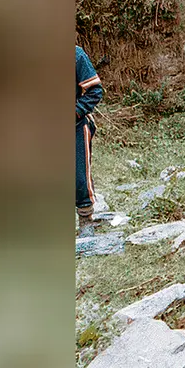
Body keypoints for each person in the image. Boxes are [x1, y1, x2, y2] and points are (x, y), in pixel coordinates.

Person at [76, 45, 104, 237]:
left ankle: (86, 218)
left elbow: (95, 90)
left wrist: (76, 111)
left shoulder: (75, 55)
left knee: (78, 174)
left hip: (74, 127)